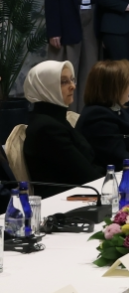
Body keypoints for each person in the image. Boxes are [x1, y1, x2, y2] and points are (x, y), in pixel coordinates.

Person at [21, 60, 101, 197]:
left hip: (79, 194)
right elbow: (86, 176)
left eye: (72, 80)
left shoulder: (55, 118)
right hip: (65, 201)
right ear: (45, 87)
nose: (73, 86)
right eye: (64, 82)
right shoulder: (47, 128)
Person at [75, 59, 129, 169]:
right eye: (128, 83)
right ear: (114, 87)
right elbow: (120, 159)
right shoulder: (97, 117)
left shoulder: (114, 109)